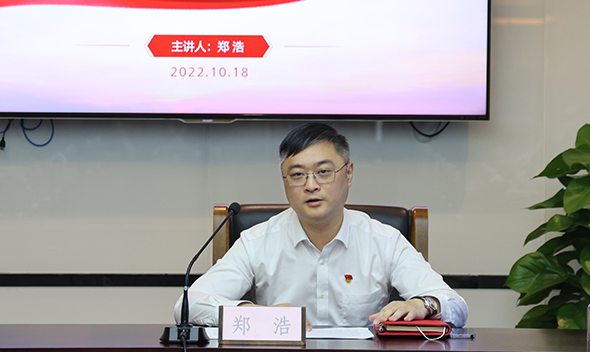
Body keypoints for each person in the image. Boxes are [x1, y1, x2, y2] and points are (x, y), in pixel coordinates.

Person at [175, 122, 468, 329]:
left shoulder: (384, 240)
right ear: (284, 181)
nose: (311, 185)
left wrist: (422, 305)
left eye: (324, 172)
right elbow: (188, 306)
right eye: (297, 175)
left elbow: (455, 305)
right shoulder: (257, 241)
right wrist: (254, 314)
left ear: (348, 174)